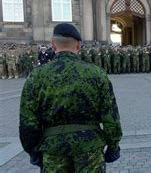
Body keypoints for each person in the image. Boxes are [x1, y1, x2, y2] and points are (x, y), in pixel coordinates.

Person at [19, 23, 122, 172]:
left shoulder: (37, 76)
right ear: (79, 45)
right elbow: (111, 117)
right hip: (90, 148)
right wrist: (113, 146)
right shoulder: (96, 74)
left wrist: (32, 150)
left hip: (53, 150)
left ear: (53, 44)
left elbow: (28, 121)